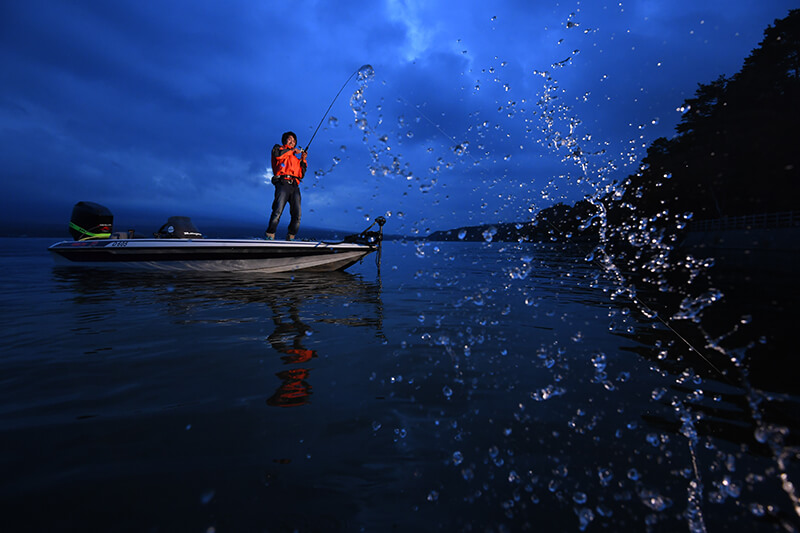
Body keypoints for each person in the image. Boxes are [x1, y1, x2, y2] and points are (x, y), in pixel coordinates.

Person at [266, 131, 307, 240]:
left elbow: (301, 174)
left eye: (294, 141)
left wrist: (303, 159)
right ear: (284, 140)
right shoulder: (278, 149)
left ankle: (291, 236)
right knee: (277, 210)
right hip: (283, 183)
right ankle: (270, 234)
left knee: (297, 214)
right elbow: (279, 156)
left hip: (294, 186)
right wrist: (292, 150)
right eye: (290, 139)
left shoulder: (295, 158)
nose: (292, 142)